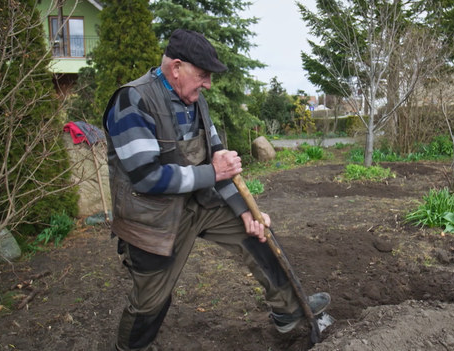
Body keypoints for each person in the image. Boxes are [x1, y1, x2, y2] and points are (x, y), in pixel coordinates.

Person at [102, 29, 330, 351]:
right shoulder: (132, 101)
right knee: (150, 302)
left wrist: (244, 211)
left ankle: (290, 312)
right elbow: (146, 176)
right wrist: (212, 171)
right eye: (203, 75)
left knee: (256, 233)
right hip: (151, 220)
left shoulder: (195, 100)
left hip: (198, 205)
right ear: (177, 67)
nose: (207, 83)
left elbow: (218, 159)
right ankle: (132, 348)